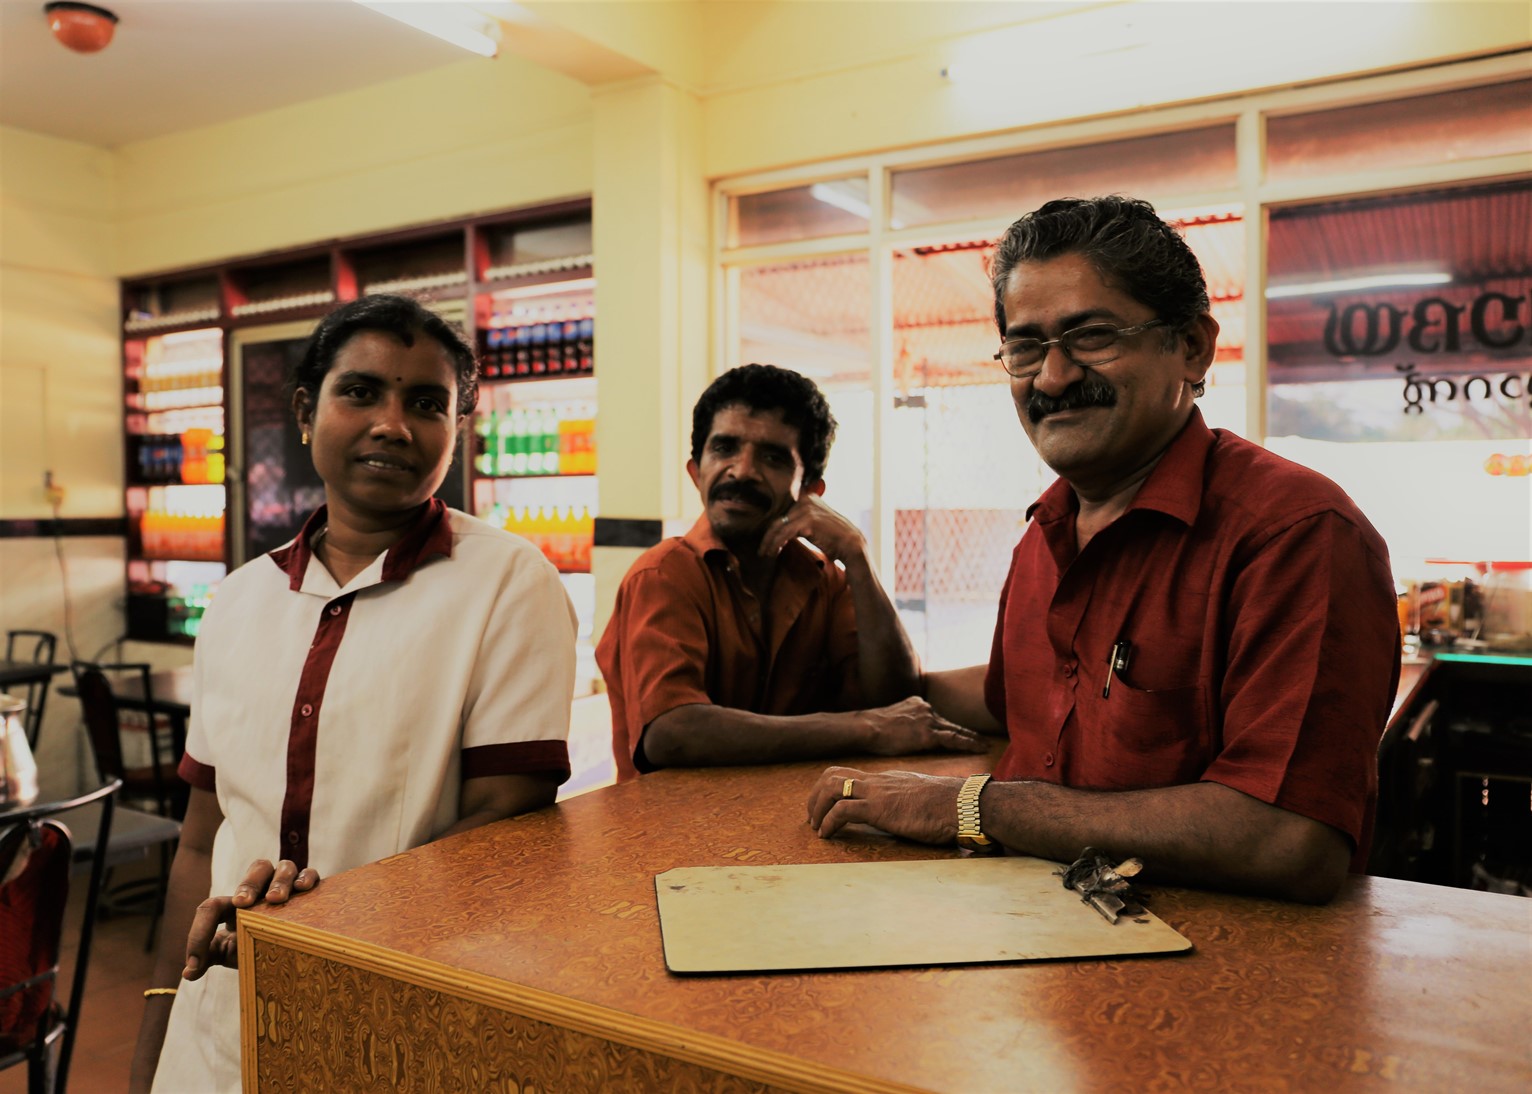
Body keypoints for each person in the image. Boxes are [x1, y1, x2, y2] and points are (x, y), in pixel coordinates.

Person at [807, 197, 1401, 905]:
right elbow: (1019, 698)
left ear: (1192, 347)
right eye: (1025, 347)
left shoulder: (1295, 535)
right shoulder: (1044, 532)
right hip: (1030, 934)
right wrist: (842, 709)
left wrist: (971, 807)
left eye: (1092, 337)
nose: (1052, 377)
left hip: (1207, 962)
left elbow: (1290, 839)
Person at [130, 295, 577, 1092]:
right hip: (218, 1030)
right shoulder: (238, 600)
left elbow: (507, 829)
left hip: (399, 1020)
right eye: (361, 392)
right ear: (307, 413)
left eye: (427, 404)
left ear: (458, 430)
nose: (393, 425)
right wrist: (158, 1036)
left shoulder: (509, 584)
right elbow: (201, 844)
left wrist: (329, 923)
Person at [596, 363, 986, 780]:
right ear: (696, 472)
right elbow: (671, 732)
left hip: (797, 813)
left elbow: (896, 699)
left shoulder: (826, 580)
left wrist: (858, 557)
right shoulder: (662, 575)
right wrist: (861, 729)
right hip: (674, 821)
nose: (742, 470)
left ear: (811, 492)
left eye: (772, 457)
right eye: (724, 448)